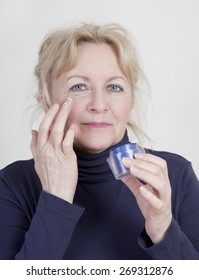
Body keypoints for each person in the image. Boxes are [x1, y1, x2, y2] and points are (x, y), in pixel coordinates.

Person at [0, 22, 199, 260]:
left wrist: (163, 228)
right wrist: (56, 200)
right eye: (79, 86)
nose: (99, 104)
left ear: (131, 100)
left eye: (114, 87)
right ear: (46, 100)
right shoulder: (13, 184)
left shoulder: (175, 175)